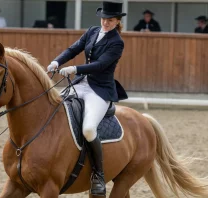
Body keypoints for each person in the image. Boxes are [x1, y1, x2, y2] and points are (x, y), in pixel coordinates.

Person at [47, 1, 128, 196]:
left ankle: (98, 175)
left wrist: (75, 69)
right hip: (80, 85)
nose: (105, 23)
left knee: (89, 129)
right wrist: (56, 61)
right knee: (52, 110)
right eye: (104, 19)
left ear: (117, 22)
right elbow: (73, 49)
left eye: (110, 20)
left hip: (99, 91)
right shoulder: (92, 31)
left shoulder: (117, 42)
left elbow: (100, 65)